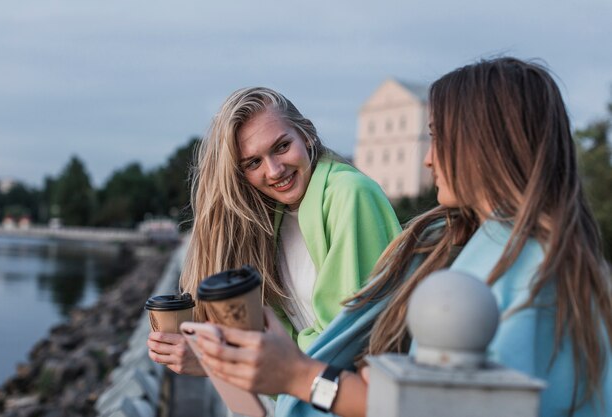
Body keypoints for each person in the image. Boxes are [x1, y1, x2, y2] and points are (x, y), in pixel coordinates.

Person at [192, 58, 612, 417]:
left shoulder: (530, 276)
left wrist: (301, 376)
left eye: (438, 137)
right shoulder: (488, 246)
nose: (427, 158)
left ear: (487, 146)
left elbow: (441, 409)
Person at [147, 87, 402, 375]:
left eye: (281, 147)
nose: (274, 171)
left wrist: (218, 362)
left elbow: (344, 341)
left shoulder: (350, 195)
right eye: (254, 162)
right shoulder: (274, 218)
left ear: (306, 135)